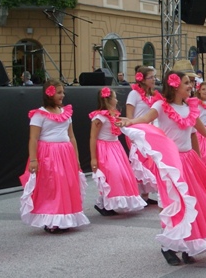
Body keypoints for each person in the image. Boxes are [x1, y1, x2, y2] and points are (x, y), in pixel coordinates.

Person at [121, 72, 206, 265]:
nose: (190, 86)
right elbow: (144, 118)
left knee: (192, 203)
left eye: (190, 83)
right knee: (173, 203)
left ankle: (188, 244)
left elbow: (202, 132)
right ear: (175, 85)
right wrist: (130, 122)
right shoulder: (161, 106)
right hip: (170, 162)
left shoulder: (190, 108)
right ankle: (168, 246)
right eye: (187, 83)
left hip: (188, 161)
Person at [20, 79, 90, 234]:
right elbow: (33, 138)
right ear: (49, 94)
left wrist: (76, 158)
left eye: (63, 92)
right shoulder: (39, 114)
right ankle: (52, 219)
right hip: (48, 153)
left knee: (66, 184)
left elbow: (72, 136)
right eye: (59, 92)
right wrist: (33, 159)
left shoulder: (66, 113)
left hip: (65, 153)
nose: (62, 95)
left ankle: (65, 217)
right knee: (52, 185)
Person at [89, 87, 145, 216]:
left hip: (115, 147)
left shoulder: (114, 115)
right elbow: (93, 137)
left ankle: (105, 203)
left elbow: (125, 122)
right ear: (108, 100)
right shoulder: (99, 117)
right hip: (105, 148)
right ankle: (103, 203)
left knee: (121, 174)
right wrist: (93, 158)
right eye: (115, 97)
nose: (117, 100)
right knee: (111, 174)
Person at [126, 66, 162, 206]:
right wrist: (131, 134)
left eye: (154, 77)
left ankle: (145, 195)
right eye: (151, 77)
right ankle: (137, 194)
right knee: (139, 162)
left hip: (149, 132)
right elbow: (129, 116)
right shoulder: (134, 94)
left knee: (149, 162)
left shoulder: (153, 95)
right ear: (142, 79)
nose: (154, 80)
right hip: (137, 131)